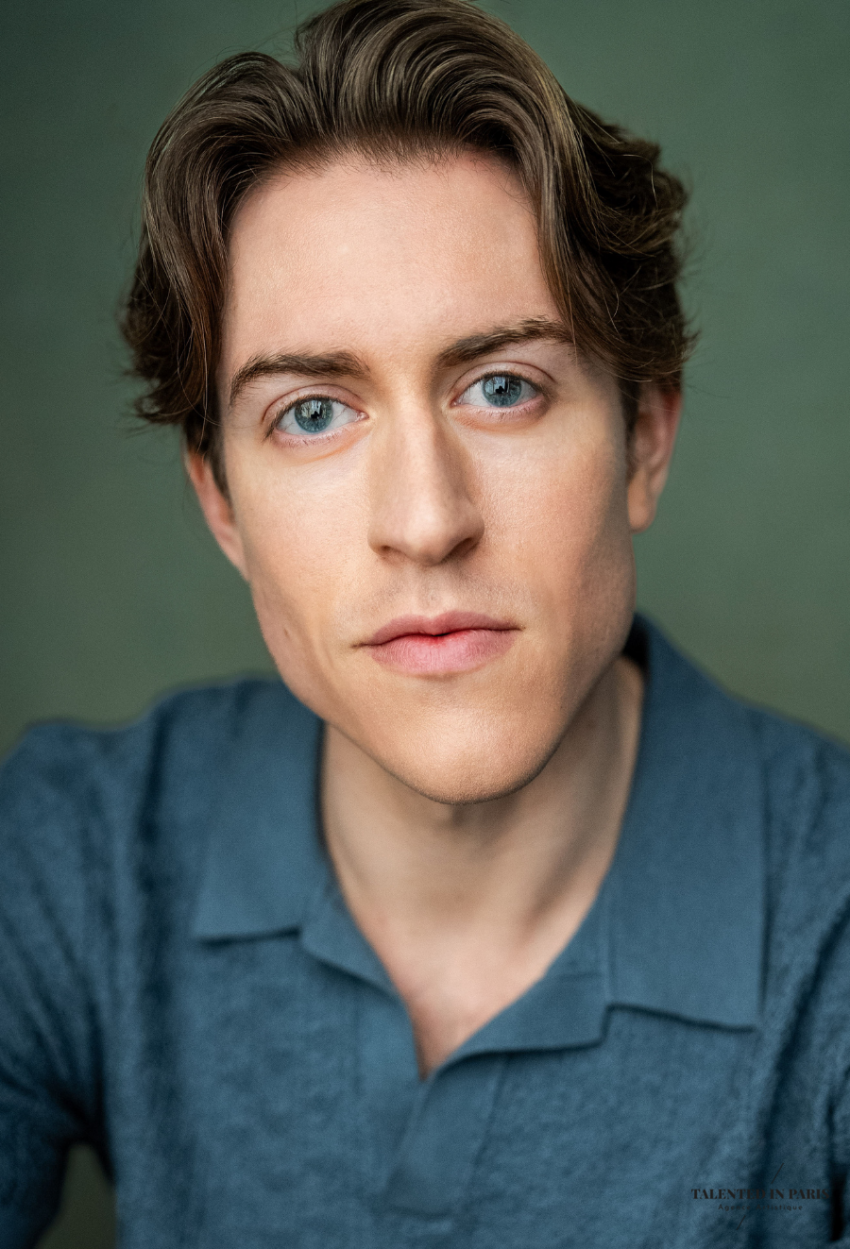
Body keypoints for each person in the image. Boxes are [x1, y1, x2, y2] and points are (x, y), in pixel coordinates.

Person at [1, 0, 849, 1245]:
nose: (425, 520)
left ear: (644, 440)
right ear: (222, 503)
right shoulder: (74, 857)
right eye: (310, 412)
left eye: (502, 387)